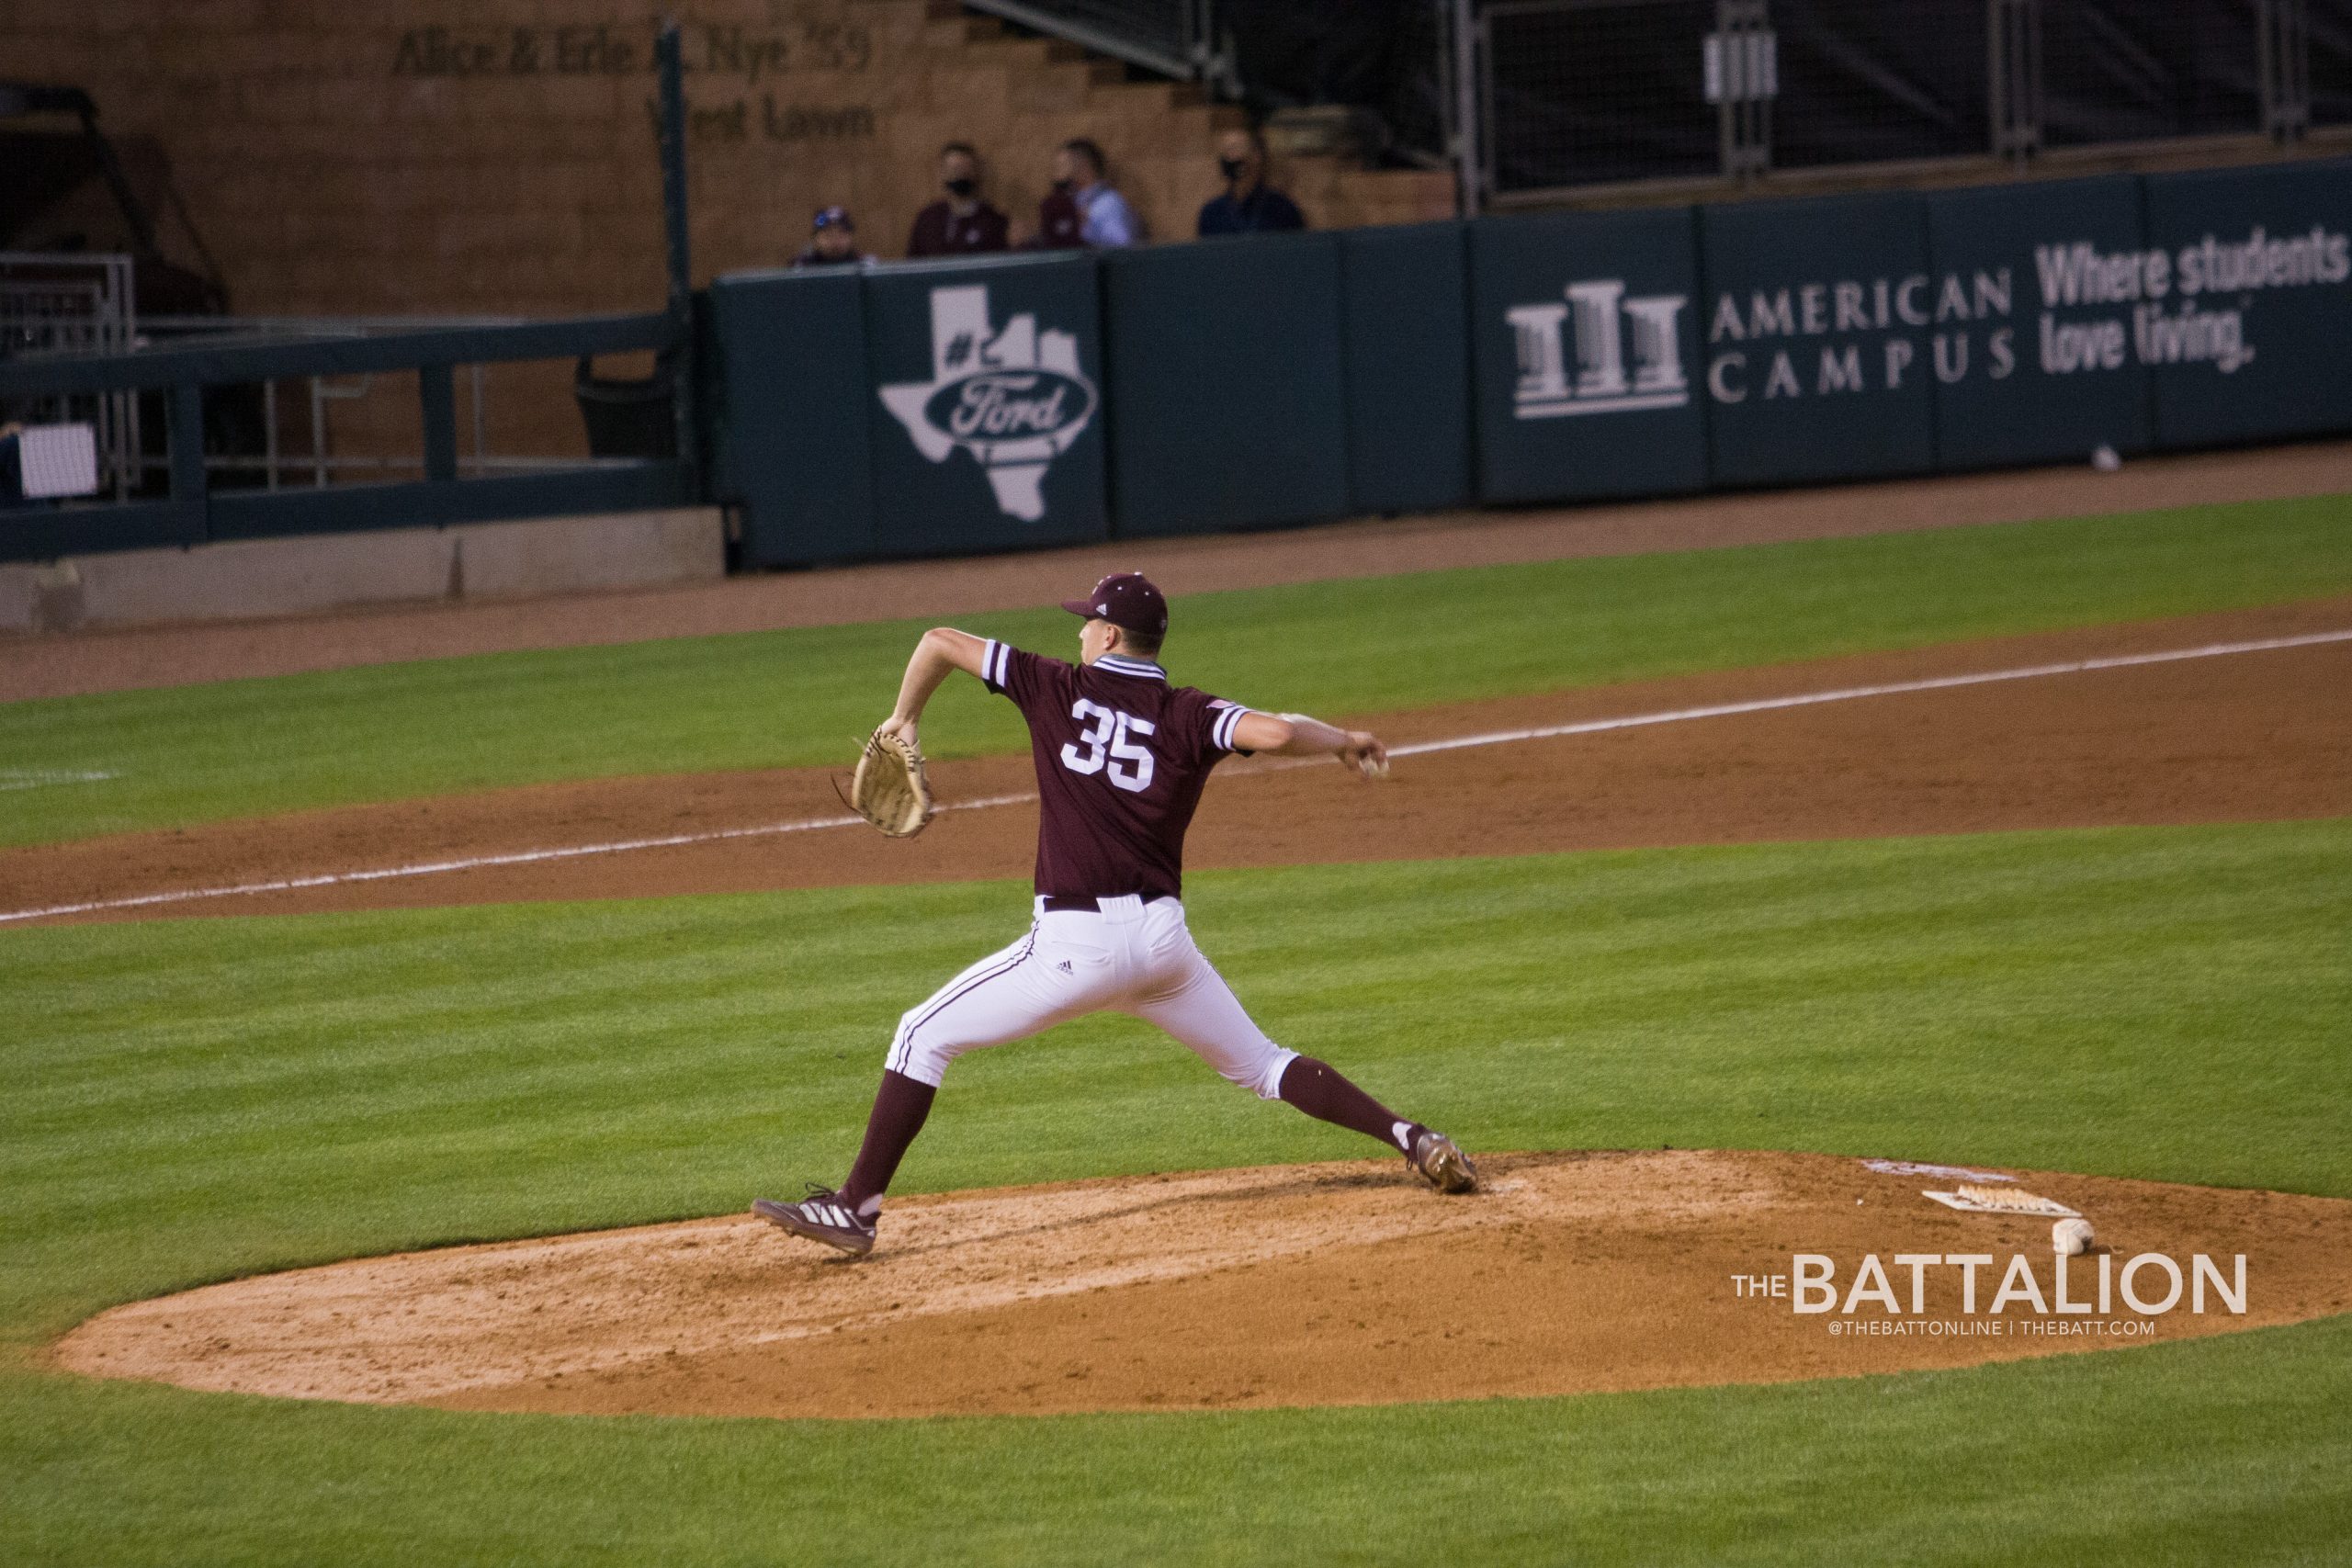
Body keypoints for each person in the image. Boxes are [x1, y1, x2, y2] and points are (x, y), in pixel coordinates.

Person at [754, 572, 1479, 1258]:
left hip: (1073, 949)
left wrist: (904, 719)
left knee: (921, 1033)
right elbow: (1281, 731)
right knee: (1264, 1064)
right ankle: (1413, 1137)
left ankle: (856, 1206)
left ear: (1107, 636)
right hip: (1163, 950)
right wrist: (1344, 740)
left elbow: (940, 639)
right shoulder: (1190, 713)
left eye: (1086, 623)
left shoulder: (1054, 687)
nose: (1078, 634)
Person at [1197, 126, 1306, 237]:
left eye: (1234, 148)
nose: (1229, 157)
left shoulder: (1282, 209)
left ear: (1256, 157)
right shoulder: (1212, 213)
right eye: (1226, 151)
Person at [906, 142, 1010, 258]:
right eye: (955, 170)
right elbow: (913, 262)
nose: (960, 176)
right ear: (943, 173)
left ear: (976, 172)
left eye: (965, 170)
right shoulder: (928, 219)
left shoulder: (993, 221)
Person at [1043, 138, 1141, 249]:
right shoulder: (1071, 202)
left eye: (1062, 165)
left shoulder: (1109, 203)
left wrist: (1085, 229)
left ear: (1083, 166)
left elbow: (1123, 248)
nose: (1057, 174)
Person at [790, 206, 870, 268]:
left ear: (851, 237)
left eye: (841, 234)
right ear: (815, 239)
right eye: (827, 235)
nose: (835, 240)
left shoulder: (867, 268)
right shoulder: (801, 269)